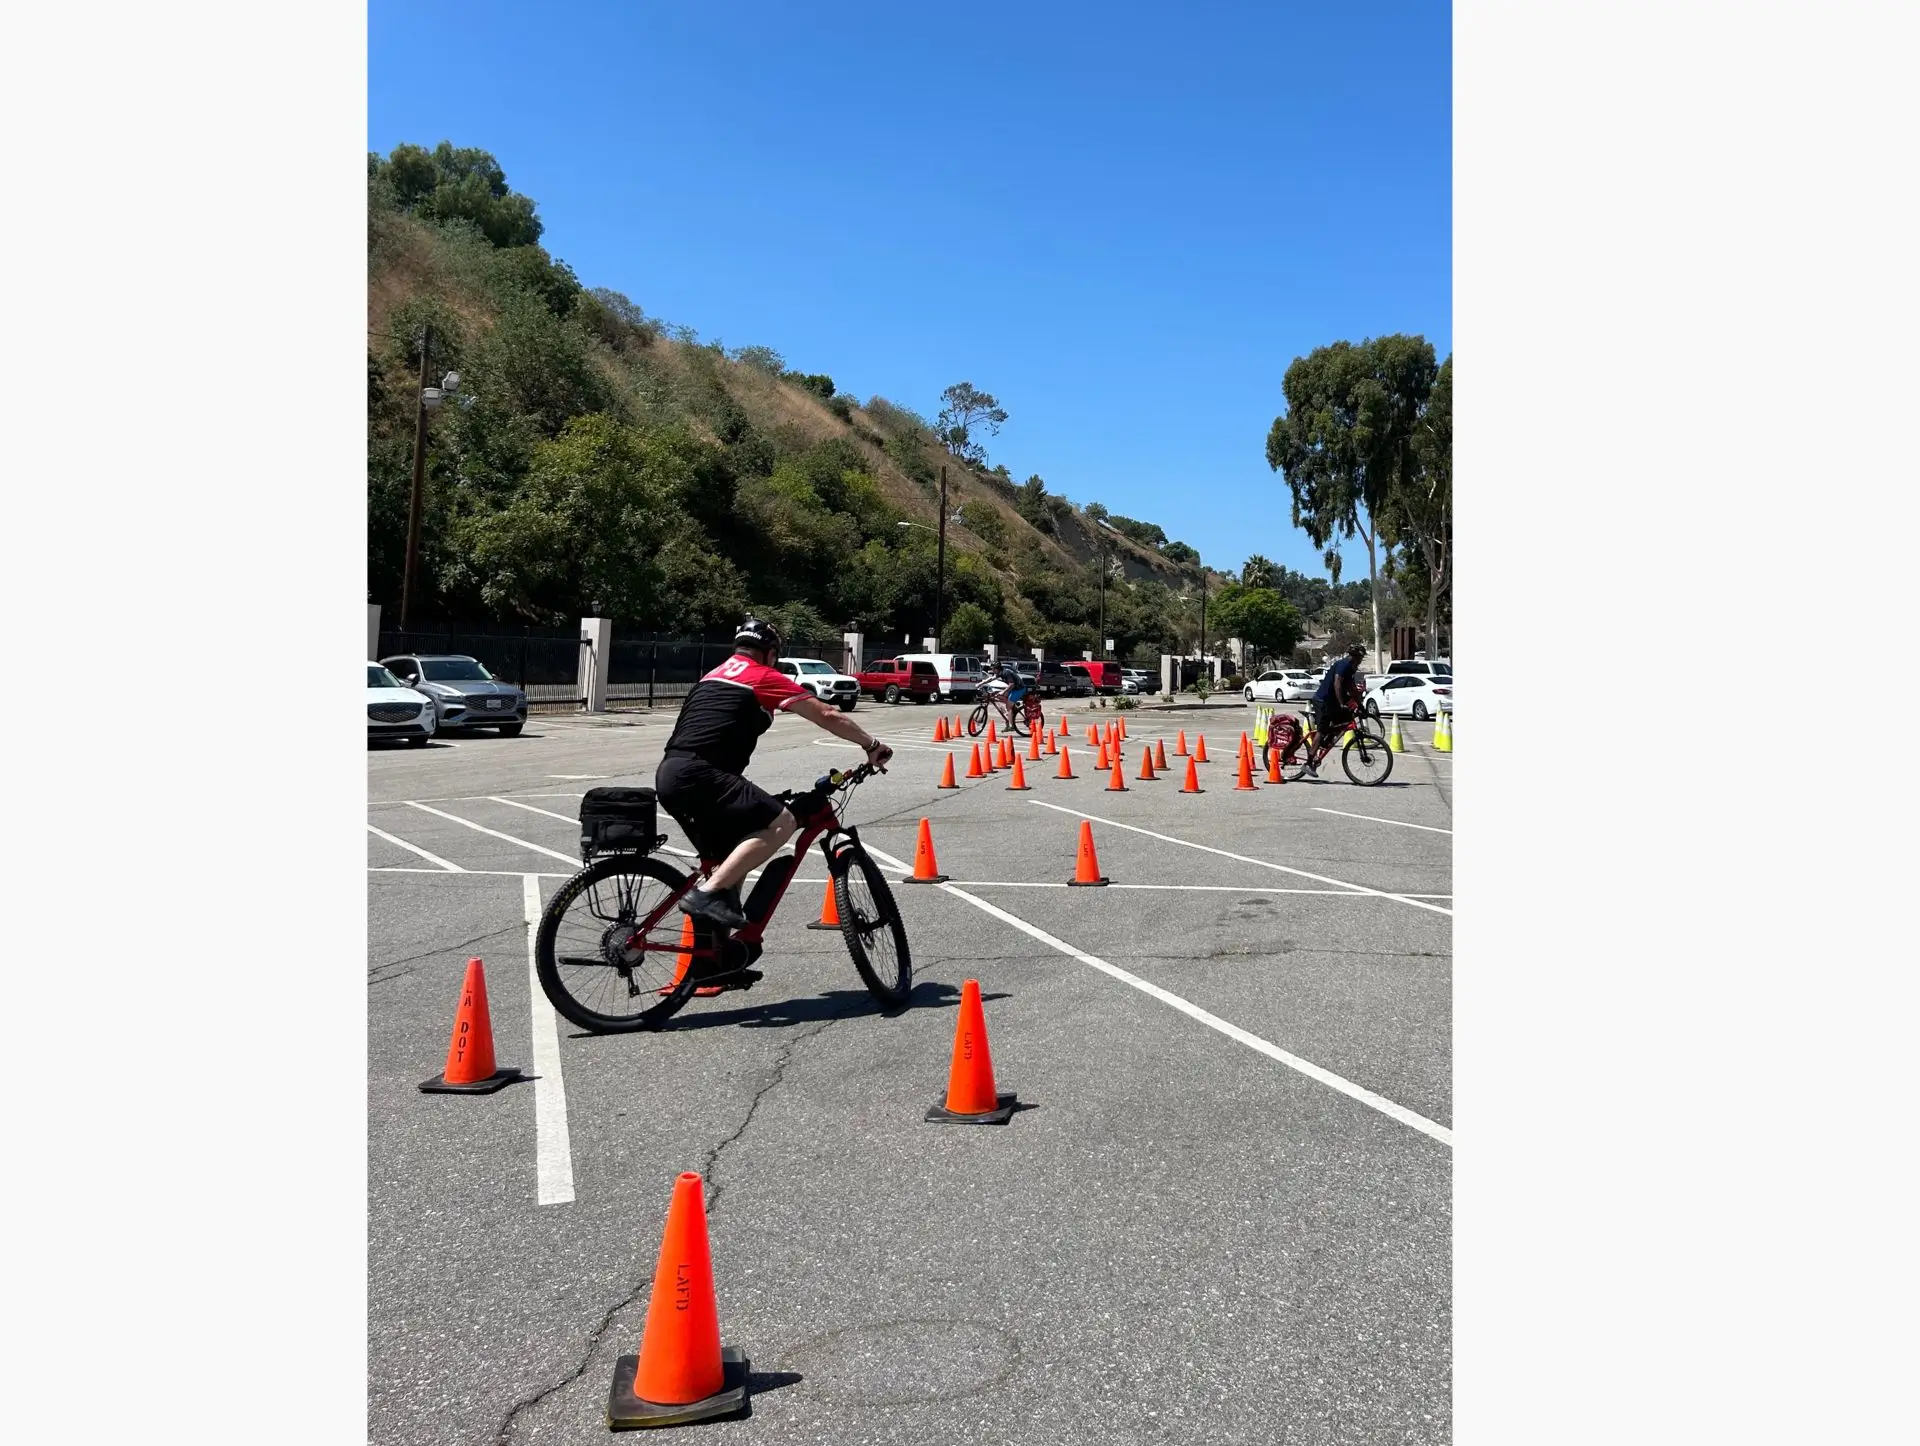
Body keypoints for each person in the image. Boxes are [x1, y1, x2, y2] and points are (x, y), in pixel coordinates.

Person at [656, 618, 893, 929]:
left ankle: (718, 958)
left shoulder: (711, 676)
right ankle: (707, 894)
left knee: (732, 853)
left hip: (671, 773)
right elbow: (826, 714)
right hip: (704, 774)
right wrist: (870, 744)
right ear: (770, 653)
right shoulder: (761, 675)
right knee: (782, 822)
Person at [1306, 643, 1369, 777]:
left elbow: (1352, 688)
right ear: (1353, 657)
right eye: (1360, 658)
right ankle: (1309, 763)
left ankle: (1325, 741)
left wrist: (1361, 706)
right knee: (1321, 731)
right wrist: (1341, 703)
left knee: (1345, 719)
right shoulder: (1343, 665)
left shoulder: (1351, 669)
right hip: (1323, 700)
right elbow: (1337, 684)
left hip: (1331, 701)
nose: (1360, 661)